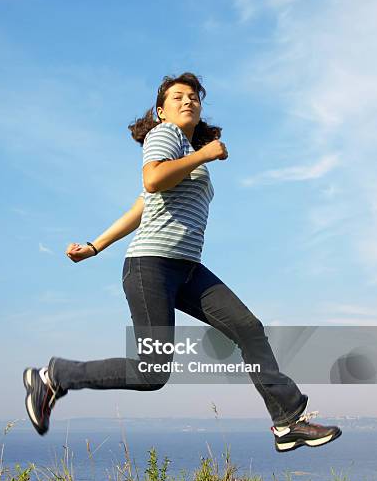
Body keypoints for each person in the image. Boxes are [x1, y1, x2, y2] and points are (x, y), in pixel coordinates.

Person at [23, 72, 342, 452]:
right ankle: (55, 376)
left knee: (248, 328)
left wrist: (95, 246)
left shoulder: (183, 149)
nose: (188, 100)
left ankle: (288, 420)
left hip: (187, 268)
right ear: (161, 111)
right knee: (152, 371)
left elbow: (142, 205)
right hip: (151, 265)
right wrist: (204, 154)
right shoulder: (165, 136)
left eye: (193, 96)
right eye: (177, 97)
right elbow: (154, 180)